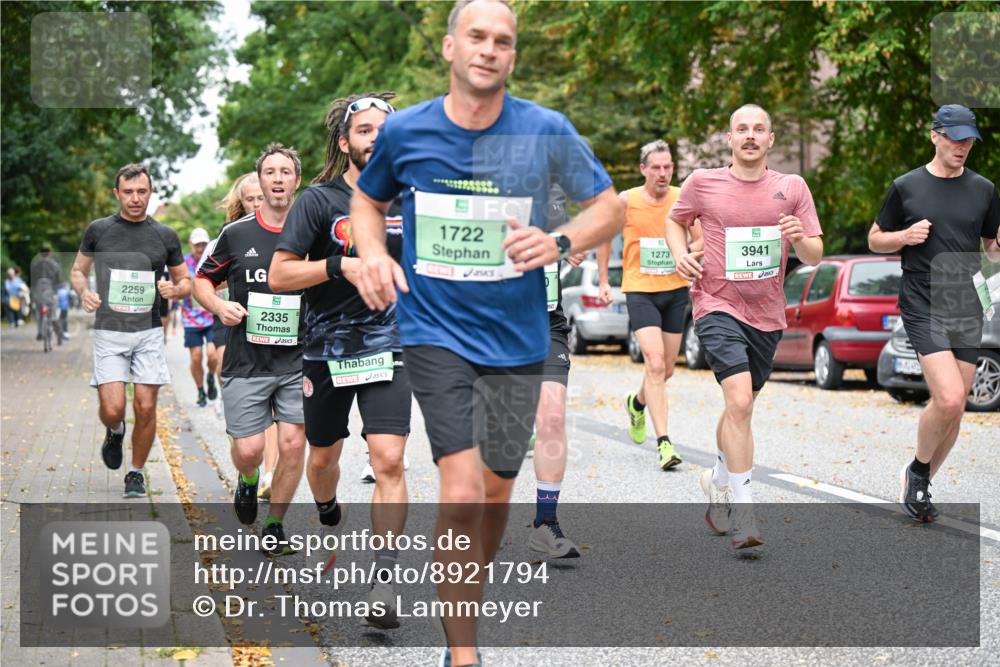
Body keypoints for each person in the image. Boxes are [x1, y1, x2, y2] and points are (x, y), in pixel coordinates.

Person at [351, 1, 624, 663]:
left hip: (518, 338)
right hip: (434, 330)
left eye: (503, 40)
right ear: (451, 47)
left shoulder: (545, 129)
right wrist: (374, 255)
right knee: (463, 488)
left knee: (497, 491)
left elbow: (610, 206)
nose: (489, 48)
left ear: (512, 56)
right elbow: (368, 199)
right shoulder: (407, 130)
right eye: (476, 36)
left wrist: (559, 240)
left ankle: (464, 596)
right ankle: (464, 651)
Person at [270, 92, 411, 628]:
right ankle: (327, 508)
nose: (375, 139)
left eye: (384, 131)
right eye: (365, 130)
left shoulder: (412, 200)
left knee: (389, 460)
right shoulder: (318, 201)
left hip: (390, 346)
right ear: (344, 142)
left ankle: (385, 581)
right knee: (323, 459)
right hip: (325, 351)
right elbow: (280, 275)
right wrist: (338, 267)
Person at [667, 104, 823, 552]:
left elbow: (814, 255)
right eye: (742, 129)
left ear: (771, 139)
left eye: (758, 129)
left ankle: (717, 477)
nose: (750, 136)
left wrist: (799, 237)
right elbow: (675, 220)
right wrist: (680, 254)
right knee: (737, 400)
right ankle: (744, 511)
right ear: (730, 139)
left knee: (742, 407)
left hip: (767, 314)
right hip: (715, 304)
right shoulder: (703, 182)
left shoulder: (792, 187)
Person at [868, 104, 1000, 522]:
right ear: (935, 136)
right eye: (955, 138)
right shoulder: (906, 187)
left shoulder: (984, 190)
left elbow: (991, 248)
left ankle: (921, 483)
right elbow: (875, 239)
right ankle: (918, 470)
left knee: (956, 408)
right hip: (922, 299)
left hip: (966, 300)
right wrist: (904, 236)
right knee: (949, 396)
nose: (962, 147)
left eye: (969, 140)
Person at [195, 144, 307, 555]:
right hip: (246, 360)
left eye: (285, 172)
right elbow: (202, 281)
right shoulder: (236, 234)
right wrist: (219, 306)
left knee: (293, 444)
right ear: (260, 180)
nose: (277, 179)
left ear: (296, 180)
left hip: (299, 358)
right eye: (269, 172)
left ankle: (275, 525)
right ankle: (247, 478)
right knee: (250, 450)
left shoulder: (312, 229)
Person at [70, 163, 190, 497]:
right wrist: (84, 292)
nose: (135, 198)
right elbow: (78, 270)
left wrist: (175, 290)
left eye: (141, 192)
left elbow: (185, 280)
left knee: (147, 407)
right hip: (109, 331)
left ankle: (135, 473)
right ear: (116, 193)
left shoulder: (165, 235)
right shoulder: (99, 230)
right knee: (113, 409)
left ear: (151, 193)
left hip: (148, 332)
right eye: (128, 192)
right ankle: (115, 430)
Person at [599, 140, 698, 470]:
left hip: (675, 290)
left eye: (667, 167)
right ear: (643, 169)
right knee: (654, 363)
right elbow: (604, 236)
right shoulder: (627, 200)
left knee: (666, 369)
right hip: (640, 290)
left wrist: (688, 254)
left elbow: (700, 237)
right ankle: (665, 443)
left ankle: (637, 403)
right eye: (656, 167)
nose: (662, 173)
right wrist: (603, 281)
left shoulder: (682, 198)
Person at [182, 229, 218, 407]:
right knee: (196, 357)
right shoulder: (184, 263)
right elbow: (180, 285)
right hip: (191, 317)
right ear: (191, 244)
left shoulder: (213, 259)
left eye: (204, 244)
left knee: (213, 355)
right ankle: (200, 391)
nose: (201, 248)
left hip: (211, 316)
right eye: (197, 244)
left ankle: (211, 376)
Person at [31, 245, 64, 341]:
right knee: (53, 314)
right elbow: (59, 280)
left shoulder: (35, 266)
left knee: (39, 313)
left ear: (40, 254)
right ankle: (58, 332)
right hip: (51, 293)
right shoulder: (55, 265)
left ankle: (40, 332)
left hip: (39, 293)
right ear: (50, 253)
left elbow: (32, 281)